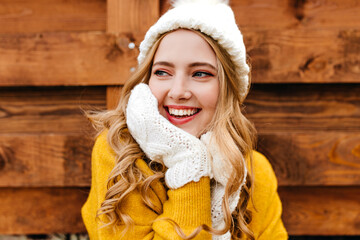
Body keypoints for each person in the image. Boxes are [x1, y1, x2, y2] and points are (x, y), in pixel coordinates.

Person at [81, 0, 288, 239]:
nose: (178, 91)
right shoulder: (118, 154)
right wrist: (191, 166)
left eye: (200, 73)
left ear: (228, 88)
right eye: (162, 72)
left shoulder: (253, 171)